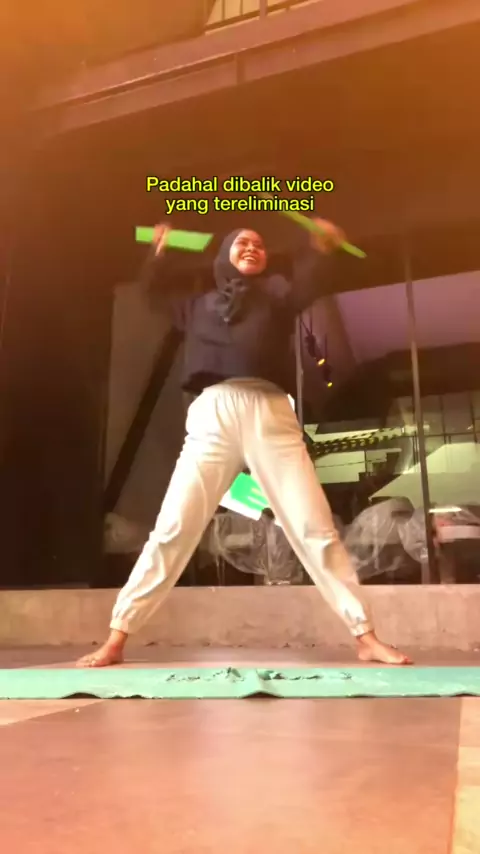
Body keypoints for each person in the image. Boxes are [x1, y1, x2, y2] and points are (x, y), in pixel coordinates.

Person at [78, 220, 411, 667]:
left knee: (314, 527)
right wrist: (158, 252)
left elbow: (309, 284)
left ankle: (365, 636)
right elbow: (153, 292)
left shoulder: (276, 297)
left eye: (258, 244)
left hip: (270, 411)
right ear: (223, 255)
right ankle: (117, 637)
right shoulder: (196, 305)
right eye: (241, 242)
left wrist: (320, 248)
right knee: (173, 528)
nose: (252, 247)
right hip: (213, 413)